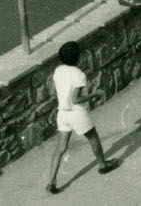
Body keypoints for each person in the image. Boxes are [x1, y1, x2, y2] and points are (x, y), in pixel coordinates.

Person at [46, 41, 118, 192]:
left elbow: (59, 91)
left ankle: (51, 182)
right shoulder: (79, 75)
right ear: (78, 58)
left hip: (62, 113)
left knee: (61, 147)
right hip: (76, 113)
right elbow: (76, 99)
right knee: (93, 137)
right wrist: (94, 94)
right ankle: (103, 165)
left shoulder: (58, 71)